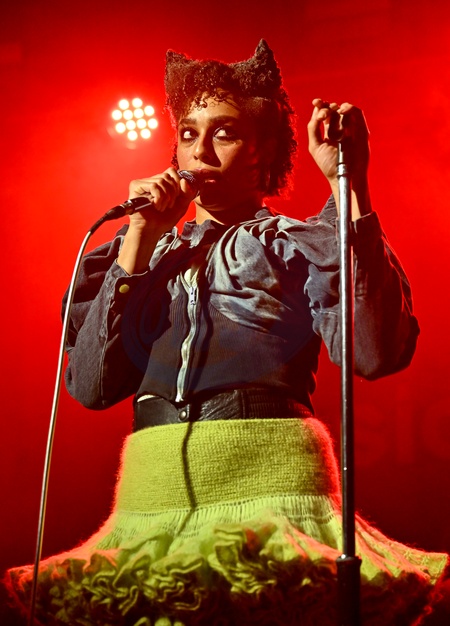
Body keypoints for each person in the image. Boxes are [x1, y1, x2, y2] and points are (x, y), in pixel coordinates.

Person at [5, 40, 450, 626]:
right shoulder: (140, 253)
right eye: (188, 134)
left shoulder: (295, 243)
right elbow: (90, 387)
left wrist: (350, 186)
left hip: (271, 487)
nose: (201, 150)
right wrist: (138, 239)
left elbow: (373, 352)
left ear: (263, 153)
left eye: (225, 133)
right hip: (152, 496)